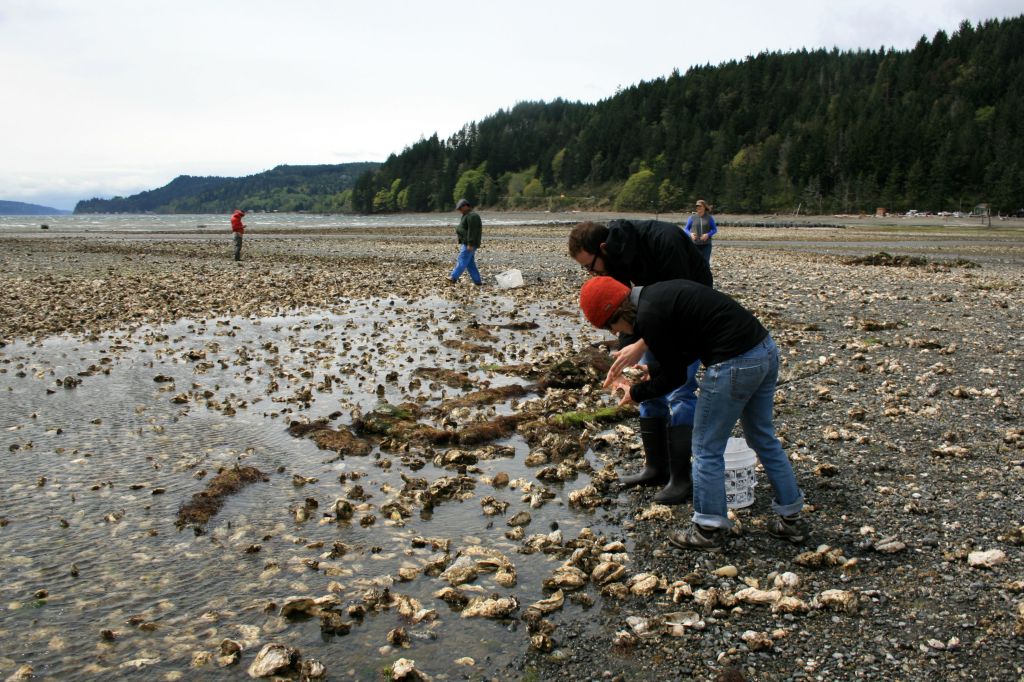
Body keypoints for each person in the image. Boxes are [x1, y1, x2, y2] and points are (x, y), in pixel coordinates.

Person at [578, 275, 808, 553]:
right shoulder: (658, 294)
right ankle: (792, 520)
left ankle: (708, 530)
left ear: (615, 313)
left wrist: (636, 394)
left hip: (734, 363)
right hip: (764, 350)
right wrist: (653, 372)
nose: (616, 333)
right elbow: (685, 349)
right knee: (763, 438)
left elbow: (675, 378)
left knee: (705, 449)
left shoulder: (649, 317)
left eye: (610, 326)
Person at [567, 219, 711, 505]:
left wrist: (643, 344)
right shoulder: (614, 261)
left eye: (590, 266)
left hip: (690, 319)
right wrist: (623, 360)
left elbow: (679, 304)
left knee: (679, 387)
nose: (591, 273)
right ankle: (656, 468)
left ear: (603, 248)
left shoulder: (664, 241)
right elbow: (621, 310)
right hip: (650, 316)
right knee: (646, 382)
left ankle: (682, 480)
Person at [449, 198, 483, 285]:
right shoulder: (466, 215)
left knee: (462, 259)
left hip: (469, 243)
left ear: (466, 206)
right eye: (458, 209)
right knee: (470, 263)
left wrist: (470, 244)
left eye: (460, 208)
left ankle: (453, 277)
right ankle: (477, 281)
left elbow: (473, 231)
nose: (459, 210)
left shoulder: (472, 216)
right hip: (466, 242)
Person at [683, 199, 717, 264]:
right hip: (694, 244)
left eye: (700, 206)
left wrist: (708, 234)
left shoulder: (709, 218)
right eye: (697, 206)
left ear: (704, 207)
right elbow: (686, 229)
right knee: (694, 263)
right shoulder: (692, 217)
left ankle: (705, 274)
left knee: (705, 263)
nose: (698, 207)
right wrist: (691, 234)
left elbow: (714, 229)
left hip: (706, 245)